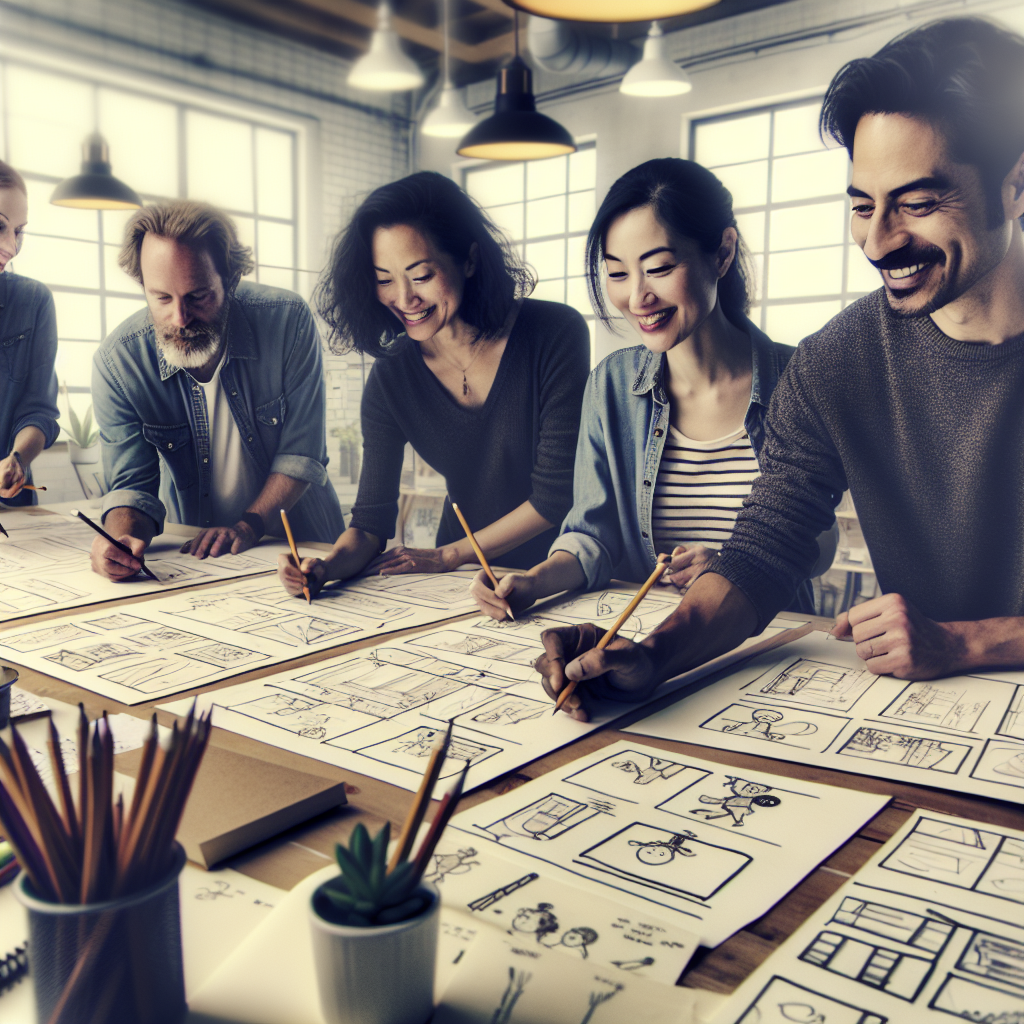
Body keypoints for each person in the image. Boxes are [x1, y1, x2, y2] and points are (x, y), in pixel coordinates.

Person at [535, 17, 1024, 720]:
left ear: (1015, 184)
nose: (879, 241)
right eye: (863, 206)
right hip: (932, 723)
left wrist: (965, 642)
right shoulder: (837, 362)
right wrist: (653, 656)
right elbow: (763, 552)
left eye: (918, 204)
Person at [471, 159, 836, 623]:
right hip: (649, 636)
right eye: (618, 273)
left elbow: (821, 544)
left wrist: (733, 566)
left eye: (659, 268)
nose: (637, 297)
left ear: (723, 253)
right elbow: (592, 535)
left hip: (769, 635)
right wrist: (532, 581)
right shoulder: (612, 385)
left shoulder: (799, 378)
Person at [278, 171, 589, 598]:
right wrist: (325, 567)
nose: (404, 299)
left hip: (560, 570)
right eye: (384, 279)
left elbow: (554, 498)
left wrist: (449, 555)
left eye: (421, 275)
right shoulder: (391, 378)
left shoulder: (554, 332)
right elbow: (369, 524)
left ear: (469, 260)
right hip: (462, 582)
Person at [90, 200, 344, 581]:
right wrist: (121, 541)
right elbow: (131, 486)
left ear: (231, 279)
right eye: (162, 298)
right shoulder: (117, 363)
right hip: (200, 559)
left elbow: (302, 453)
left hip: (304, 548)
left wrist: (247, 526)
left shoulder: (288, 320)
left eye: (198, 296)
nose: (180, 318)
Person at [0, 160, 60, 504]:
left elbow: (39, 411)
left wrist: (16, 459)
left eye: (18, 231)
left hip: (11, 509)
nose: (10, 247)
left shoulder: (33, 301)